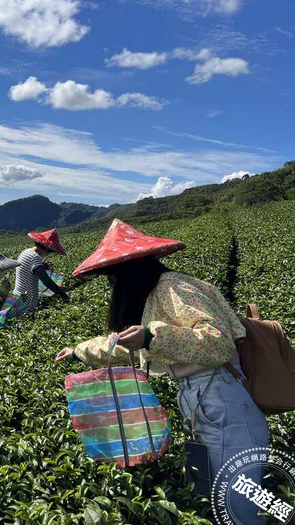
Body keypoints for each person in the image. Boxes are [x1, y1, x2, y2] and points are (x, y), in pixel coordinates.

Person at [56, 219, 268, 523]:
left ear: (130, 271)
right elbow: (126, 343)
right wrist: (79, 350)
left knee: (236, 506)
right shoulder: (154, 295)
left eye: (114, 278)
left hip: (223, 399)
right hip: (200, 401)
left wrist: (153, 336)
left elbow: (217, 341)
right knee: (205, 493)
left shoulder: (174, 287)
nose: (113, 286)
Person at [13, 228, 70, 313]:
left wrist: (42, 266)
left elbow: (29, 270)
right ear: (44, 248)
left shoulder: (25, 252)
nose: (48, 254)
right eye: (50, 251)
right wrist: (63, 294)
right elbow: (46, 281)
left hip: (18, 297)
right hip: (27, 302)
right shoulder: (35, 257)